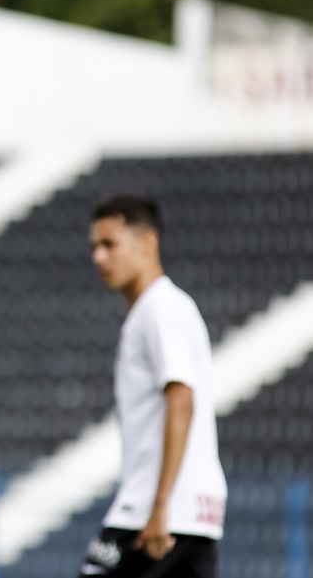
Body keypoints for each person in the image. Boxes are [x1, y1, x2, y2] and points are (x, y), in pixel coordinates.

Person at [78, 195, 227, 577]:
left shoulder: (161, 308)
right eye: (94, 247)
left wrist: (160, 507)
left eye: (109, 244)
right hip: (187, 515)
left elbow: (181, 401)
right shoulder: (154, 310)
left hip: (155, 514)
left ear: (147, 242)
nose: (98, 257)